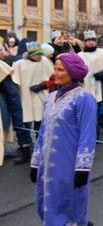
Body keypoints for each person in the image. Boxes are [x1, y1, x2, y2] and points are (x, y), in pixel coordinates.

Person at [29, 52, 98, 226]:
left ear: (73, 72)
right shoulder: (50, 98)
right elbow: (42, 133)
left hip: (69, 166)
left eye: (60, 70)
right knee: (45, 205)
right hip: (46, 168)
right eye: (55, 69)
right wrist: (35, 163)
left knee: (68, 208)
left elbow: (87, 134)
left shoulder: (84, 99)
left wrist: (82, 168)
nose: (55, 73)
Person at [12, 42, 54, 141]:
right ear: (31, 55)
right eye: (38, 54)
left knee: (40, 121)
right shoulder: (19, 64)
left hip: (40, 96)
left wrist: (42, 85)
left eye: (41, 54)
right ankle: (25, 145)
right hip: (24, 97)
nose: (40, 56)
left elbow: (53, 77)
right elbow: (14, 80)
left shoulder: (45, 61)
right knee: (26, 122)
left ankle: (41, 144)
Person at [78, 30, 103, 135]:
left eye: (93, 40)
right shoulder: (79, 55)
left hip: (99, 86)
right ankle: (85, 134)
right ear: (85, 42)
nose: (91, 42)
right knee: (86, 112)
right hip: (84, 86)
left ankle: (95, 134)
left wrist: (101, 75)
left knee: (96, 112)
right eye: (88, 40)